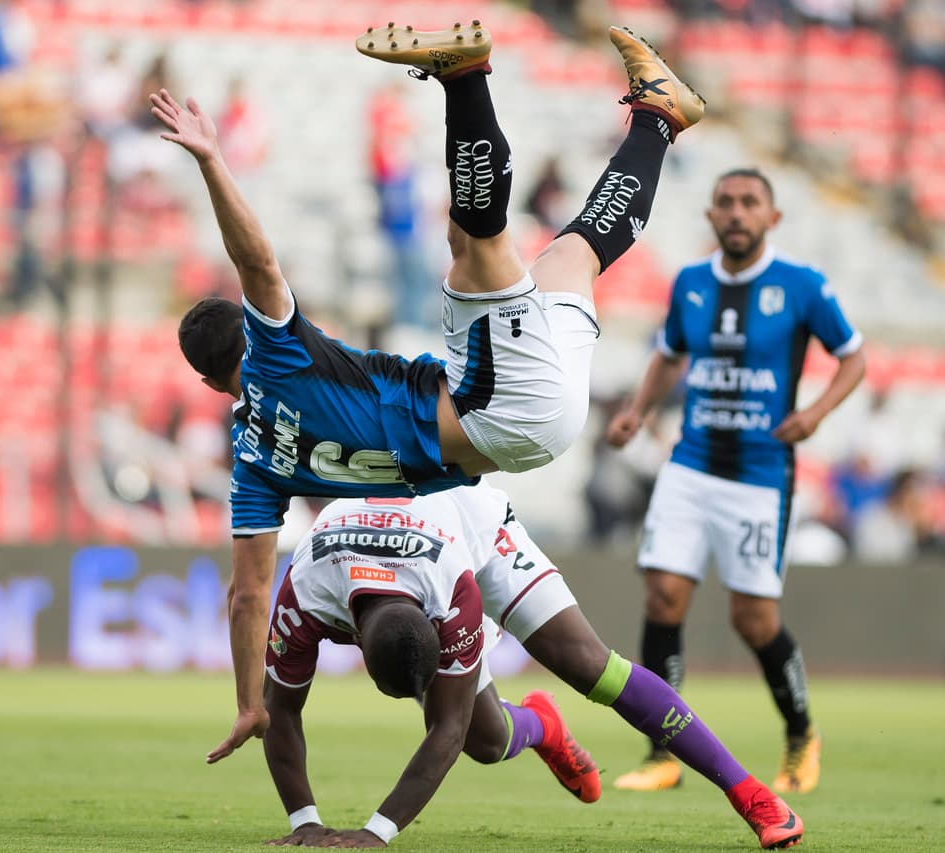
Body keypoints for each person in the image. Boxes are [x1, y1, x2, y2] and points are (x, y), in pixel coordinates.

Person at [149, 19, 707, 764]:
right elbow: (257, 262)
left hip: (526, 424)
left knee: (574, 251)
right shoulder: (276, 354)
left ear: (203, 381)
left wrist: (252, 702)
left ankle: (659, 118)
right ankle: (465, 78)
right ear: (250, 334)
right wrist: (212, 162)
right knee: (472, 243)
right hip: (497, 404)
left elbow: (248, 593)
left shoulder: (254, 465)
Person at [261, 483, 804, 849]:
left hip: (476, 530)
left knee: (592, 666)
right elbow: (279, 709)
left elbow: (445, 728)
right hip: (408, 542)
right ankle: (543, 725)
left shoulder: (454, 591)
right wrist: (305, 823)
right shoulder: (305, 587)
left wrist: (376, 832)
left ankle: (754, 797)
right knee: (486, 742)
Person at [605, 167, 867, 795]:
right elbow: (669, 354)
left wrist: (815, 413)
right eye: (725, 202)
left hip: (759, 477)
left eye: (750, 203)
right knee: (662, 598)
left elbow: (853, 358)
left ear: (772, 218)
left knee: (753, 621)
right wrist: (638, 410)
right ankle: (663, 753)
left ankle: (801, 732)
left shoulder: (801, 286)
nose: (737, 212)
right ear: (710, 215)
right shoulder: (691, 283)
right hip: (690, 465)